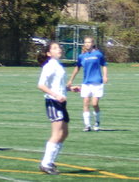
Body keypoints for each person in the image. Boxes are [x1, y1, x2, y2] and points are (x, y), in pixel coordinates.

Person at [38, 41, 80, 175]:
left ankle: (50, 161)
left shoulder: (58, 65)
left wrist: (70, 89)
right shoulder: (49, 66)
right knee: (57, 134)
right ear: (49, 53)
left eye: (59, 47)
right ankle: (45, 163)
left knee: (64, 133)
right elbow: (41, 85)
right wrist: (56, 95)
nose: (59, 49)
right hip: (53, 102)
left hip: (61, 102)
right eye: (55, 48)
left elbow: (58, 85)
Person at [67, 36, 108, 131]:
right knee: (85, 103)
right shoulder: (82, 56)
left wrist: (105, 76)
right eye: (85, 42)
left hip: (97, 82)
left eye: (89, 42)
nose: (87, 44)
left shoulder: (98, 54)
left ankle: (97, 122)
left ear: (93, 43)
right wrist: (71, 80)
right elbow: (77, 68)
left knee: (94, 104)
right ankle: (87, 125)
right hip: (86, 83)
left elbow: (104, 65)